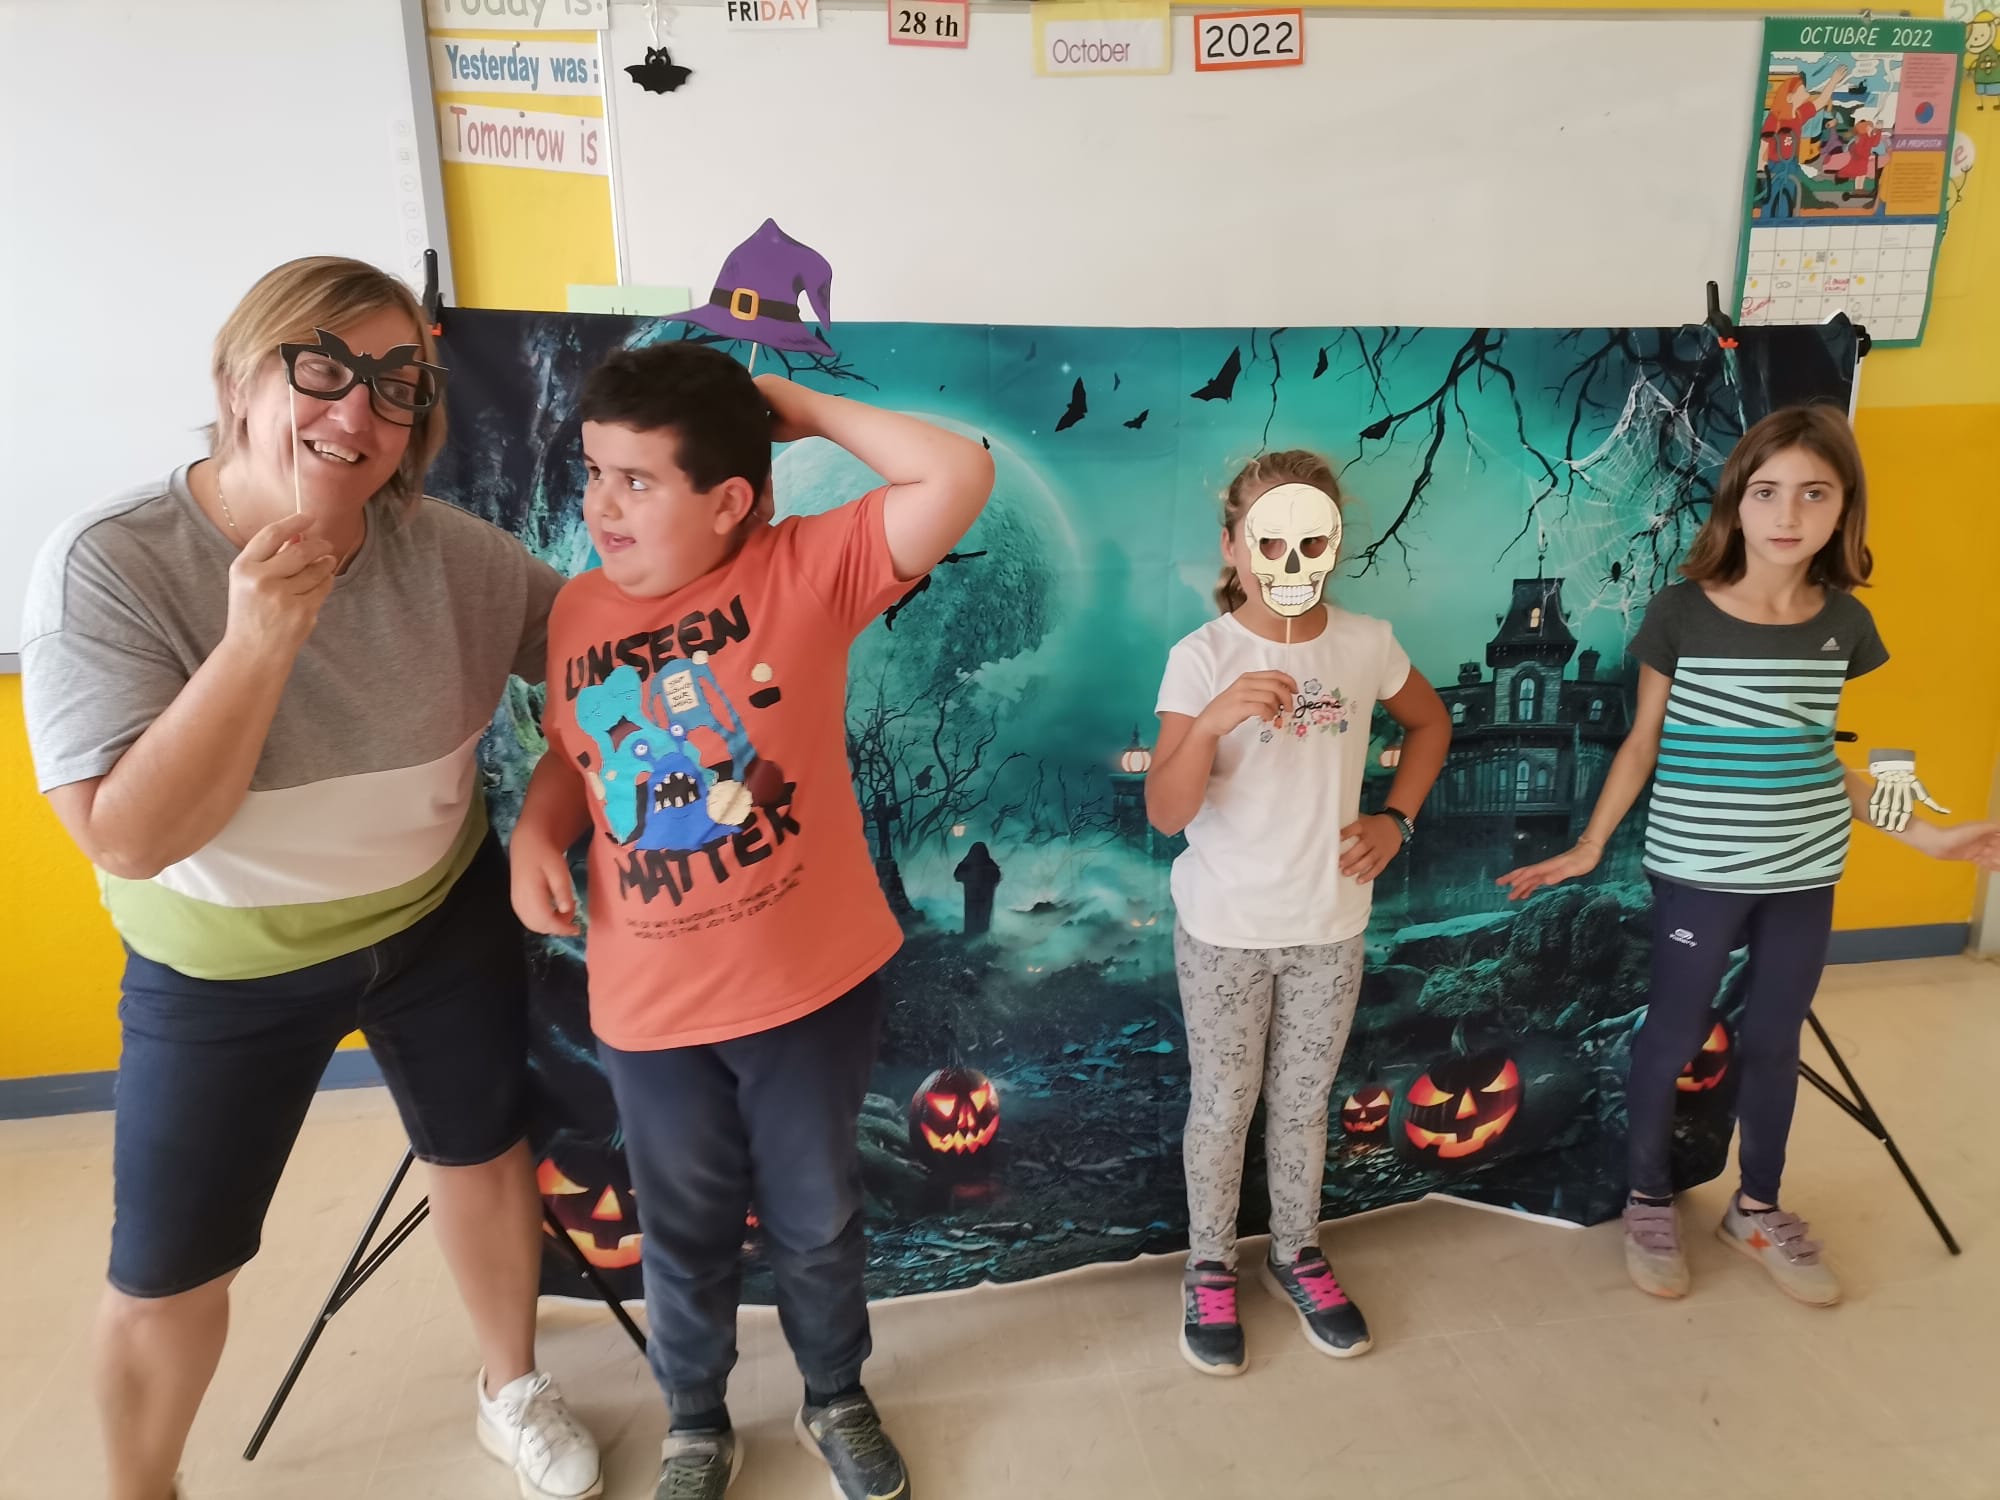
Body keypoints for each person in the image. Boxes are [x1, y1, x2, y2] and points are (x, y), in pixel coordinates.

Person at [19, 257, 601, 1500]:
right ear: (238, 381)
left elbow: (601, 659)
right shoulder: (112, 564)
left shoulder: (455, 556)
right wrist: (258, 640)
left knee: (482, 1151)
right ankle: (140, 1486)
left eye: (396, 384)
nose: (356, 411)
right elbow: (126, 839)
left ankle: (510, 1387)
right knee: (170, 1262)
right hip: (222, 964)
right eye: (322, 368)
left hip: (435, 922)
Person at [509, 343, 993, 1500]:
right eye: (593, 472)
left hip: (805, 994)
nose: (600, 505)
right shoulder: (577, 609)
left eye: (637, 480)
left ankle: (834, 1394)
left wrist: (797, 407)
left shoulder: (803, 571)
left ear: (728, 500)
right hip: (649, 1009)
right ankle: (693, 1422)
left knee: (816, 1215)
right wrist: (536, 829)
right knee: (680, 1228)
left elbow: (958, 475)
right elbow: (578, 754)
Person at [1496, 405, 2000, 1307]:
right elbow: (1643, 742)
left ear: (1844, 509)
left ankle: (1756, 1208)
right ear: (1737, 501)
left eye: (1815, 493)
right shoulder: (1681, 612)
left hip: (1805, 870)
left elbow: (1826, 758)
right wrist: (1589, 844)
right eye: (1767, 492)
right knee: (1673, 1035)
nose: (1788, 514)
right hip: (1699, 870)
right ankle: (1649, 1200)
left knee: (1773, 1041)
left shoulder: (1843, 624)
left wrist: (1929, 836)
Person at [1143, 450, 1450, 1377]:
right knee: (1222, 1106)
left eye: (1310, 540)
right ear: (1232, 547)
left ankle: (1296, 1252)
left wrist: (1396, 820)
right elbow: (1166, 813)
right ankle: (1209, 1265)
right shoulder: (1201, 657)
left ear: (1332, 544)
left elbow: (1431, 724)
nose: (1289, 558)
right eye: (1268, 540)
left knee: (1304, 1104)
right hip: (1225, 932)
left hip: (1328, 926)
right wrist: (1210, 721)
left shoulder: (1365, 643)